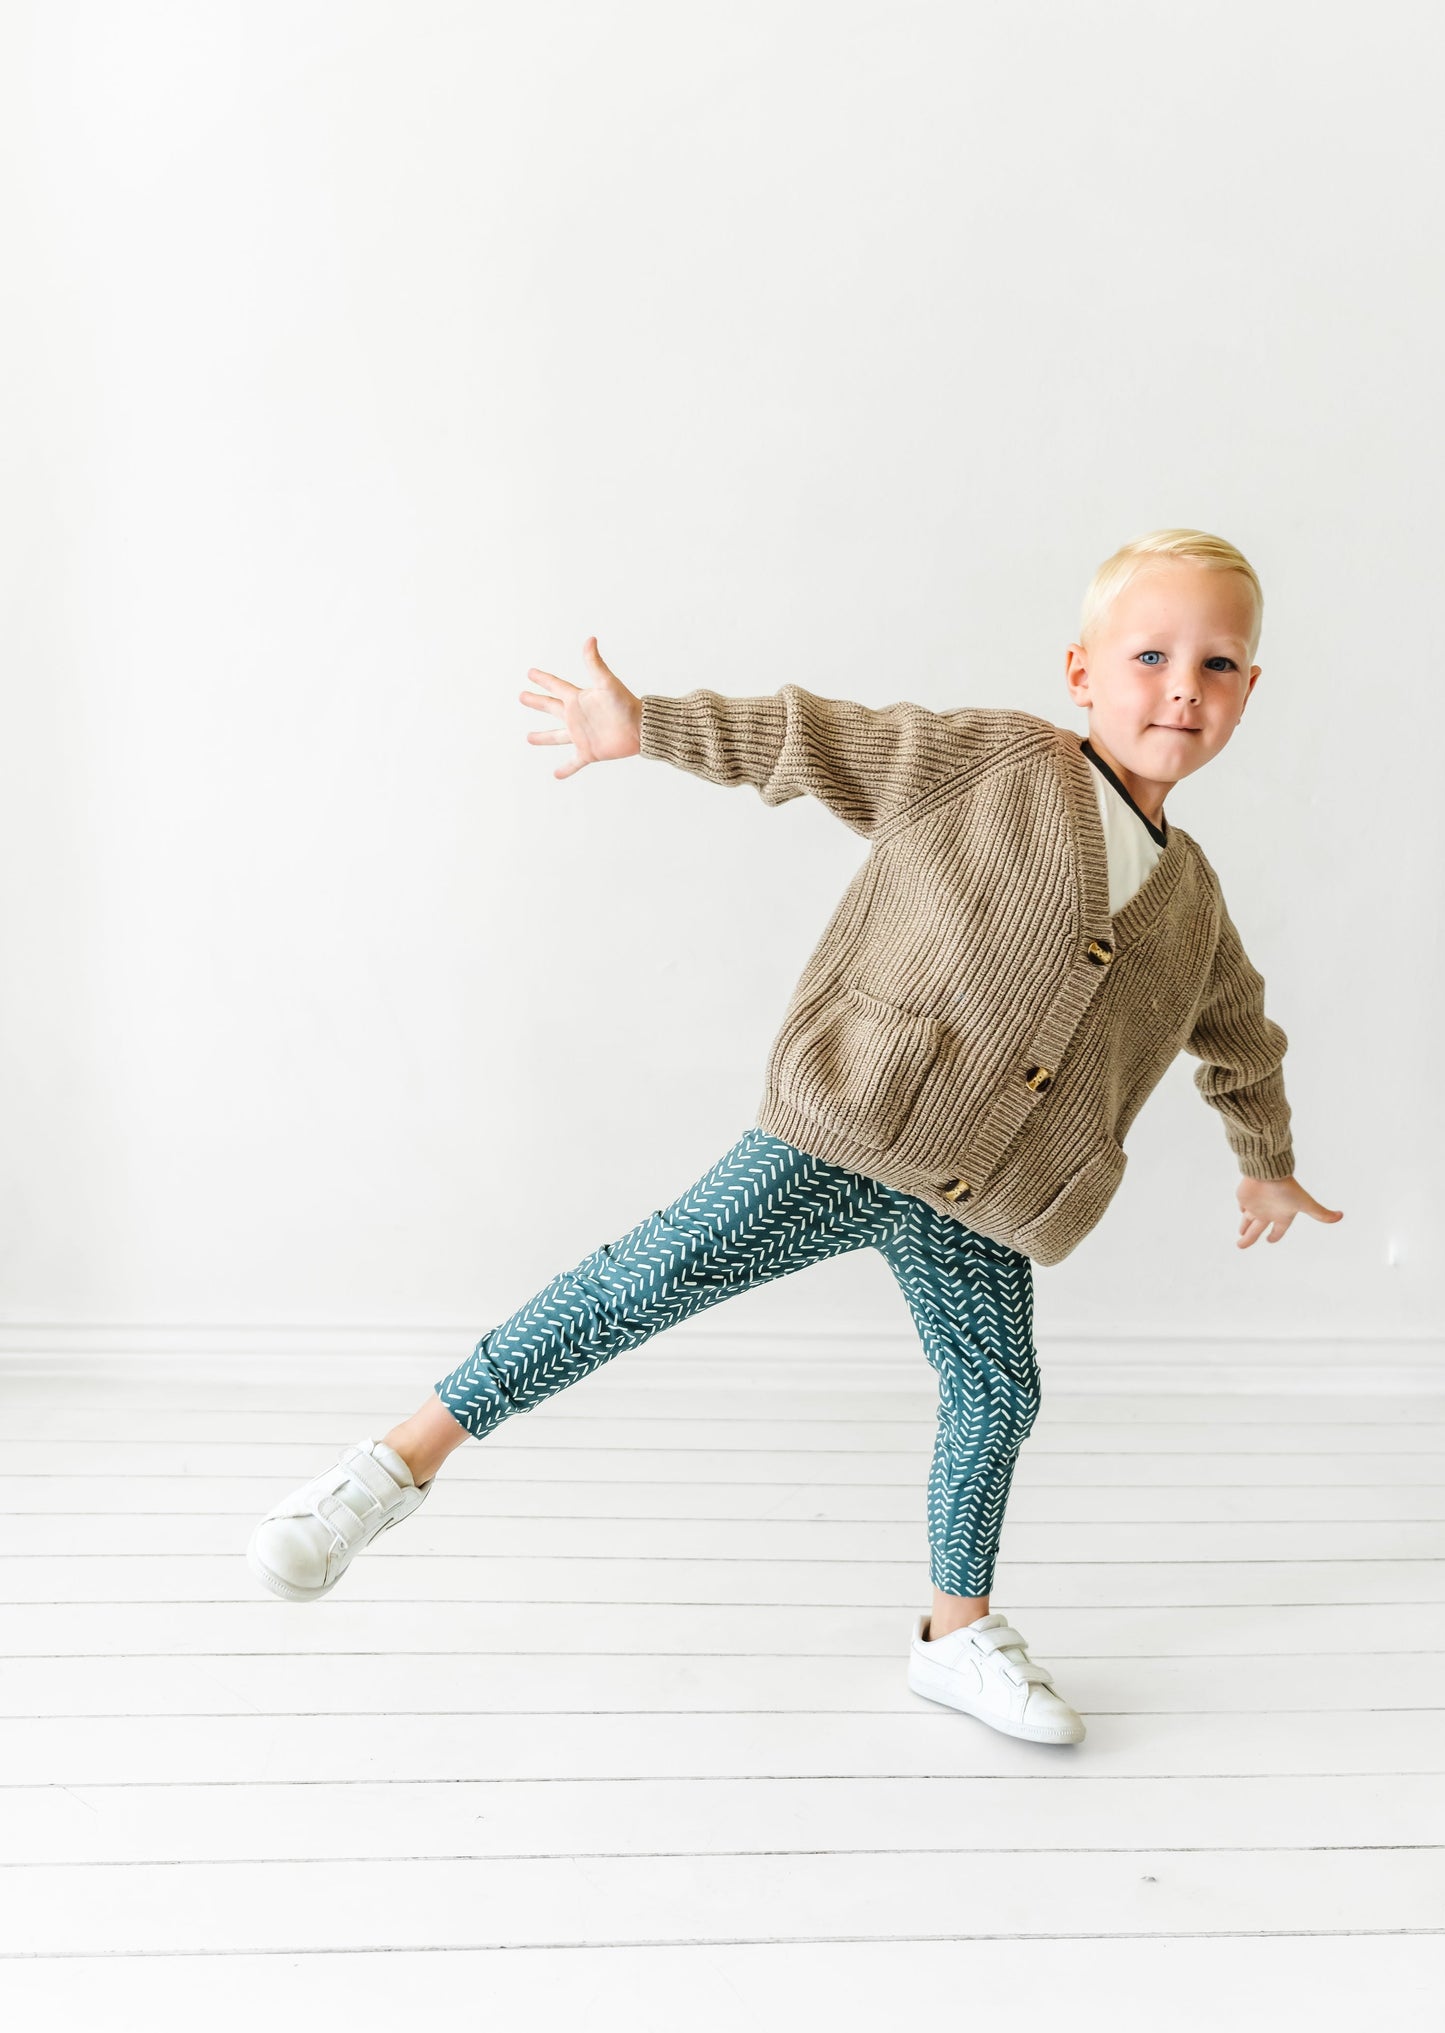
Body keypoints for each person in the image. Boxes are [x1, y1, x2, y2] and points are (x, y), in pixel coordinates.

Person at [246, 526, 1343, 1747]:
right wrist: (648, 725)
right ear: (1080, 670)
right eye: (1148, 653)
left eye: (1219, 663)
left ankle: (954, 1632)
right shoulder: (988, 762)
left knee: (995, 1388)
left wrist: (1267, 1163)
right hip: (846, 1130)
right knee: (643, 1279)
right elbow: (811, 738)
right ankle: (392, 1468)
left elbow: (1239, 1035)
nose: (1181, 687)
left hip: (982, 1197)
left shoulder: (1190, 898)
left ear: (1249, 691)